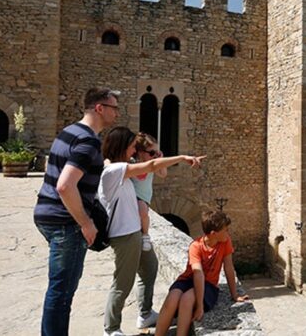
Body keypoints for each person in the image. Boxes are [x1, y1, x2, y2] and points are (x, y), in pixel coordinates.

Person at [99, 126, 205, 336]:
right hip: (124, 234)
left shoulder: (116, 167)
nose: (132, 151)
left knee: (150, 268)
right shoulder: (114, 171)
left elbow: (153, 166)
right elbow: (153, 165)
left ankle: (145, 313)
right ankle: (111, 329)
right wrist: (183, 157)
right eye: (130, 147)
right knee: (123, 282)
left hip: (136, 231)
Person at [33, 87, 120, 336]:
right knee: (62, 292)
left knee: (58, 288)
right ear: (99, 108)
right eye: (113, 107)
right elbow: (65, 185)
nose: (117, 113)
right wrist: (85, 223)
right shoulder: (88, 140)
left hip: (47, 213)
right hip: (65, 221)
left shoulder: (69, 132)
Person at [154, 210, 249, 336]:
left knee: (187, 299)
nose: (228, 232)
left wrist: (235, 295)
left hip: (209, 284)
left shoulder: (225, 242)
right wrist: (199, 306)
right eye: (226, 229)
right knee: (172, 298)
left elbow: (229, 268)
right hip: (188, 279)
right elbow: (197, 274)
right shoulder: (196, 246)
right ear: (214, 233)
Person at [130, 132, 167, 329]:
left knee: (147, 269)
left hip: (141, 208)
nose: (154, 155)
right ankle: (115, 326)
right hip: (134, 210)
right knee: (136, 273)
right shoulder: (132, 165)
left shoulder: (151, 165)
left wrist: (158, 159)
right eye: (151, 151)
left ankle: (145, 312)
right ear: (140, 152)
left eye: (156, 151)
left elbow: (163, 173)